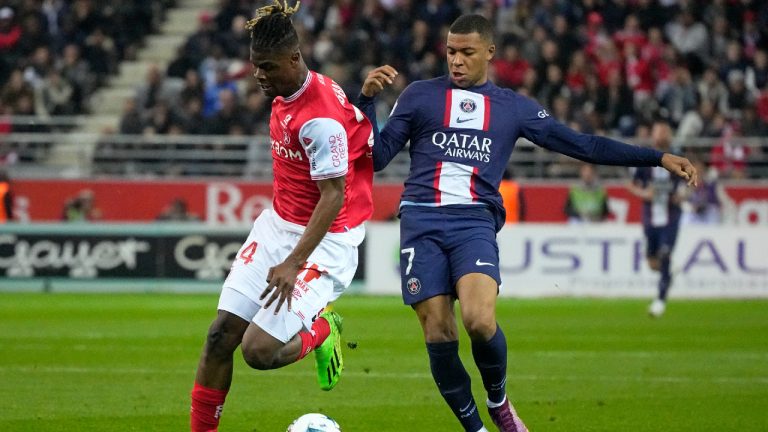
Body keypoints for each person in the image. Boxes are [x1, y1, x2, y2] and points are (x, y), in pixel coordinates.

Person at [358, 14, 696, 432]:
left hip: (474, 222)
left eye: (467, 52)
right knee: (439, 333)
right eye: (450, 52)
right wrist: (366, 103)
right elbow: (373, 159)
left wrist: (657, 157)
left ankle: (498, 401)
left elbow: (582, 145)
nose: (457, 61)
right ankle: (477, 429)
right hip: (421, 220)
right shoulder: (419, 96)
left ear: (490, 53)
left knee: (480, 321)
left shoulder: (513, 108)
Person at [189, 2, 374, 431]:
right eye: (256, 66)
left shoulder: (319, 119)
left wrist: (293, 262)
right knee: (220, 337)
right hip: (277, 226)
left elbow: (333, 195)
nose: (259, 75)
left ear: (294, 59)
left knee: (258, 352)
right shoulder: (286, 91)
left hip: (324, 242)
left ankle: (322, 330)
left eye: (267, 67)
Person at [627, 121, 687, 318]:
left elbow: (689, 181)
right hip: (650, 216)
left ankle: (660, 301)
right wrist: (645, 194)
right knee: (653, 263)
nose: (661, 135)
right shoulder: (644, 158)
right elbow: (632, 185)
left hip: (671, 215)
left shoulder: (678, 156)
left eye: (664, 131)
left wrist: (682, 194)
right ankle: (668, 272)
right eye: (658, 131)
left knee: (664, 255)